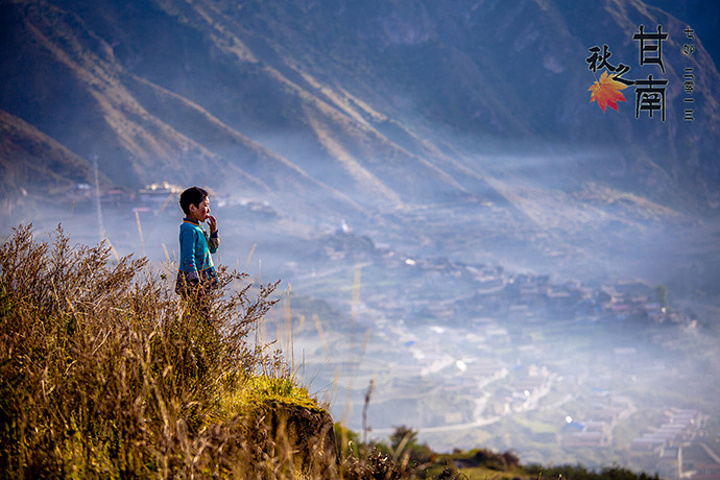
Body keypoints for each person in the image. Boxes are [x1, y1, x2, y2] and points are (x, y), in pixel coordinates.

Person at [175, 186, 219, 298]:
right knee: (198, 312)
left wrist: (213, 233)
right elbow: (188, 258)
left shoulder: (197, 227)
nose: (208, 210)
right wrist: (196, 285)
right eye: (205, 205)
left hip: (203, 279)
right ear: (192, 208)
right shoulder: (189, 229)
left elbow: (212, 250)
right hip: (195, 282)